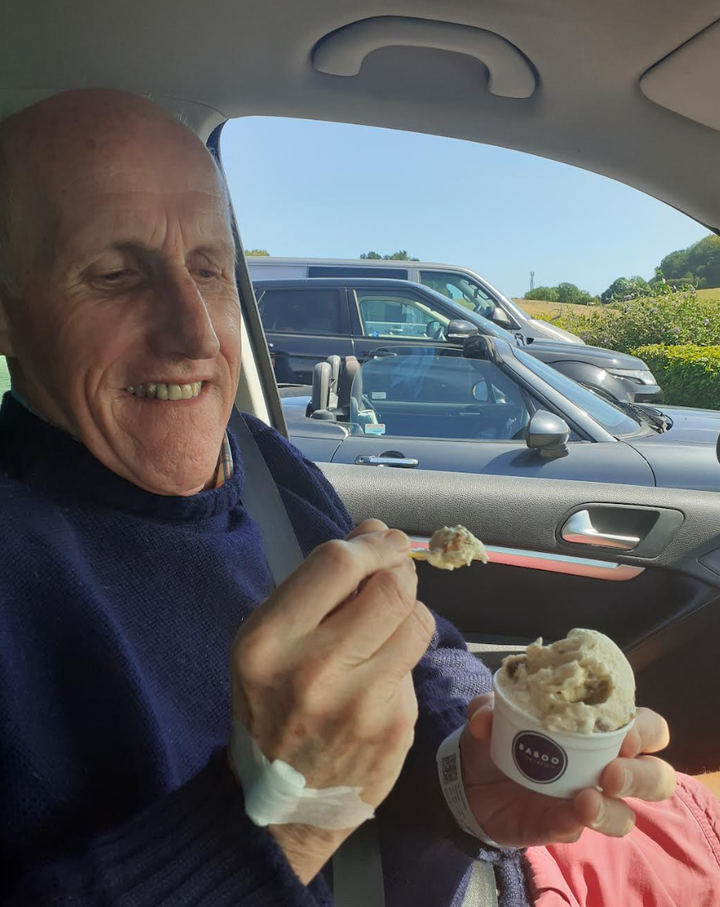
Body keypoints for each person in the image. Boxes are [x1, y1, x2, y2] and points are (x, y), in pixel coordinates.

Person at [0, 89, 716, 907]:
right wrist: (277, 819)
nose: (196, 333)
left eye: (208, 268)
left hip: (499, 858)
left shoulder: (261, 460)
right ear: (10, 314)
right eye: (115, 274)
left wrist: (463, 783)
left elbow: (426, 662)